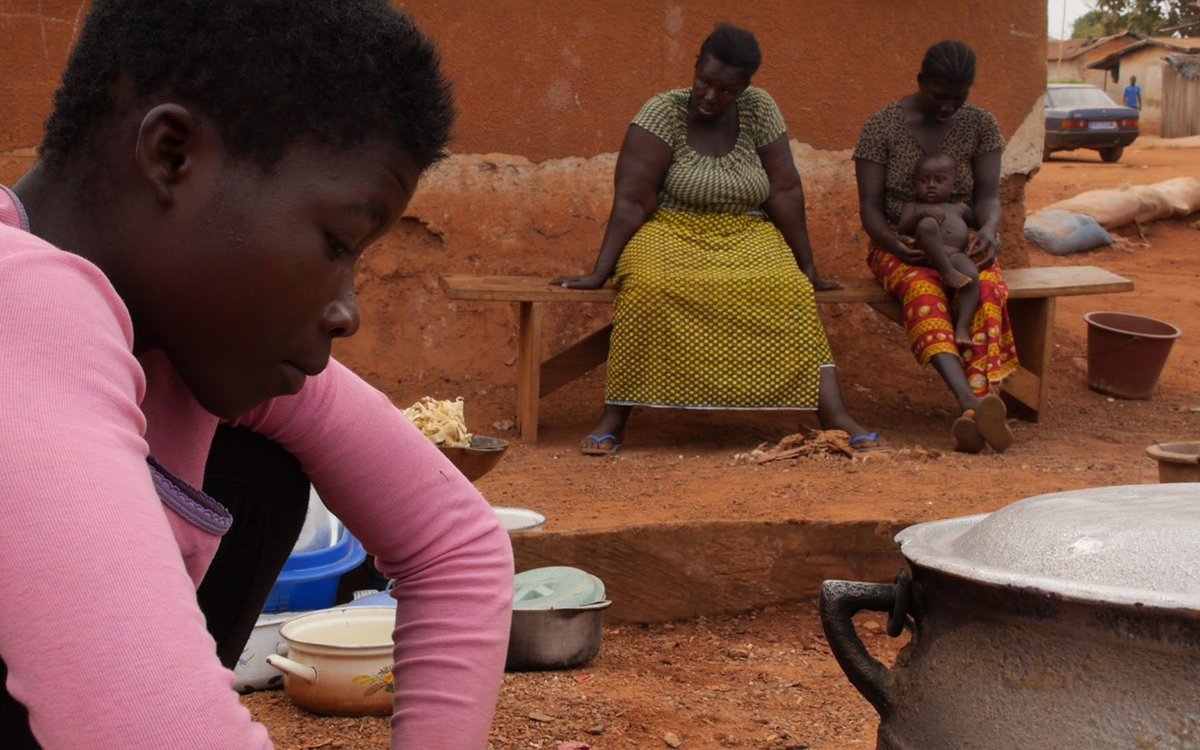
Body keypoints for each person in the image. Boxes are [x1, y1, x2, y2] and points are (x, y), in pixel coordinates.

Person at [0, 2, 513, 748]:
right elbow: (156, 732)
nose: (347, 312)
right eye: (338, 242)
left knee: (261, 465)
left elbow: (456, 544)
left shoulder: (183, 331)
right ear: (173, 156)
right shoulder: (21, 304)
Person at [552, 23, 879, 457]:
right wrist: (600, 271)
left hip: (747, 228)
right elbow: (634, 199)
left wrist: (808, 268)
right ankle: (615, 416)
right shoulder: (661, 113)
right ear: (696, 67)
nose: (710, 96)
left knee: (789, 290)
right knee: (649, 287)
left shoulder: (760, 110)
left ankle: (833, 414)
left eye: (725, 90)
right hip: (670, 227)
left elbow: (783, 189)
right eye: (704, 82)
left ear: (745, 87)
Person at [853, 40, 1016, 454]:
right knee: (923, 291)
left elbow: (988, 196)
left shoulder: (981, 125)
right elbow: (870, 209)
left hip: (965, 242)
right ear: (921, 81)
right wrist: (891, 242)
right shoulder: (882, 127)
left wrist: (991, 230)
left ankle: (974, 409)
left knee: (988, 290)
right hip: (901, 244)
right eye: (940, 96)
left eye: (959, 99)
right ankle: (972, 404)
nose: (949, 108)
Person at [897, 152, 980, 346]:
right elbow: (903, 228)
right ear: (914, 185)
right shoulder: (914, 207)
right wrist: (923, 212)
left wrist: (984, 233)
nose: (931, 185)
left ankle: (962, 328)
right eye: (923, 180)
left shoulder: (960, 208)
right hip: (928, 255)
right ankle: (947, 272)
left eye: (939, 180)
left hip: (955, 255)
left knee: (972, 276)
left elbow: (978, 223)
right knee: (927, 225)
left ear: (955, 186)